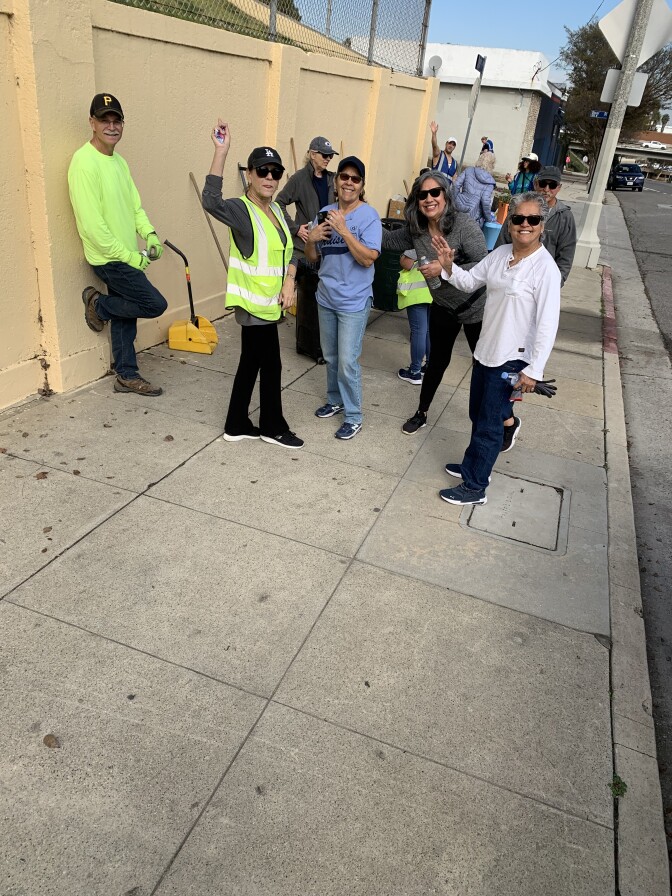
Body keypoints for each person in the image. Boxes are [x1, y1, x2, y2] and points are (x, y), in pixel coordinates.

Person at [431, 191, 561, 506]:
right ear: (510, 222)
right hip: (486, 351)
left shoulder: (545, 270)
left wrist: (534, 370)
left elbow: (547, 325)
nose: (525, 224)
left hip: (512, 359)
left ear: (542, 225)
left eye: (533, 219)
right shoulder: (501, 253)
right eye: (518, 218)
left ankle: (475, 486)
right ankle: (478, 460)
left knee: (488, 424)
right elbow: (468, 281)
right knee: (479, 414)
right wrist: (449, 266)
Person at [202, 120, 303, 449]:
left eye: (276, 172)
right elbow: (210, 201)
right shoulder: (241, 211)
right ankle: (272, 426)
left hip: (272, 304)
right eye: (263, 171)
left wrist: (290, 281)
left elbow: (292, 248)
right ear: (250, 174)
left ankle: (236, 422)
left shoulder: (275, 209)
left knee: (252, 362)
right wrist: (221, 151)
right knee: (271, 365)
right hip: (254, 307)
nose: (270, 178)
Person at [68, 93, 168, 396]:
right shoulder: (84, 163)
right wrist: (129, 256)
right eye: (104, 120)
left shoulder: (119, 162)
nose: (111, 126)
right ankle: (98, 304)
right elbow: (93, 226)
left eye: (116, 120)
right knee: (154, 304)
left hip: (124, 254)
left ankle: (126, 375)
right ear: (92, 123)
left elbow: (134, 207)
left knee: (129, 313)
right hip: (108, 258)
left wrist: (149, 234)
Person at [379, 171, 487, 433]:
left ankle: (497, 419)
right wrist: (358, 215)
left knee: (484, 365)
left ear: (445, 195)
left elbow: (485, 265)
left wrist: (444, 266)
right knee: (437, 361)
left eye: (434, 192)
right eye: (422, 195)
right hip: (444, 306)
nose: (428, 199)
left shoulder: (463, 224)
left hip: (476, 307)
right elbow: (387, 240)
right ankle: (422, 411)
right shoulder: (417, 230)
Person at [304, 156, 382, 440]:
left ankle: (353, 415)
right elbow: (314, 260)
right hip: (326, 297)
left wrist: (344, 231)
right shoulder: (324, 212)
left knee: (348, 361)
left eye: (355, 178)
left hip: (354, 302)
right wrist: (312, 240)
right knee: (331, 356)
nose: (349, 182)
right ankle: (335, 400)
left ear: (361, 186)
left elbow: (368, 259)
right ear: (336, 183)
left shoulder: (369, 216)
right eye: (344, 177)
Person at [276, 136, 338, 362]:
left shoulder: (333, 179)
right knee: (311, 299)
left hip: (328, 246)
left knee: (325, 297)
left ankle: (320, 346)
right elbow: (279, 203)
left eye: (331, 155)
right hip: (305, 248)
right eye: (324, 155)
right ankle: (311, 348)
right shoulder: (299, 179)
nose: (328, 159)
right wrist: (294, 229)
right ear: (312, 154)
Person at [495, 165, 577, 286]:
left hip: (542, 283)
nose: (546, 189)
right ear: (535, 184)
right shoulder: (518, 208)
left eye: (552, 185)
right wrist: (498, 273)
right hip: (511, 278)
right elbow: (502, 241)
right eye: (543, 184)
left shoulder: (564, 217)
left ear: (559, 188)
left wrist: (555, 283)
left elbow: (566, 255)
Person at [394, 249, 432, 384]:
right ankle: (429, 366)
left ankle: (415, 372)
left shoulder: (421, 239)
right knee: (427, 331)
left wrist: (403, 254)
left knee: (419, 332)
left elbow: (407, 263)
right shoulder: (444, 236)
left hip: (418, 295)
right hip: (433, 293)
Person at [452, 151, 497, 229]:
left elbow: (456, 185)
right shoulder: (490, 181)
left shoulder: (469, 170)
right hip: (474, 216)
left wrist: (453, 202)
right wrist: (489, 219)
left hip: (459, 208)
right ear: (492, 165)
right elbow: (485, 201)